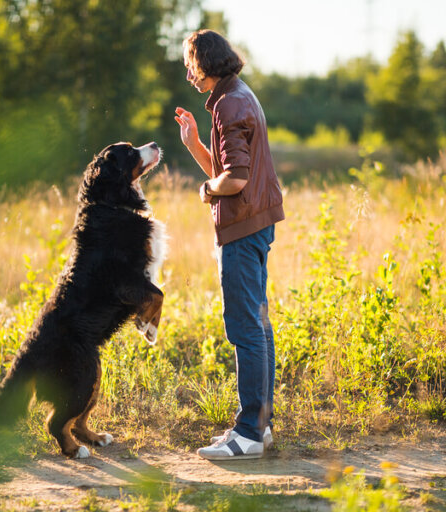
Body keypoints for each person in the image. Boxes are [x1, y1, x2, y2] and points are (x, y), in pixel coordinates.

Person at [174, 29, 285, 460]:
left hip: (241, 228)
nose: (189, 74)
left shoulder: (229, 104)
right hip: (254, 223)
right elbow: (229, 168)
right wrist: (195, 145)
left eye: (191, 66)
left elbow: (233, 181)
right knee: (258, 324)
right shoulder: (237, 95)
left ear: (206, 63)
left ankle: (249, 434)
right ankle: (260, 428)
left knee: (245, 327)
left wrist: (206, 190)